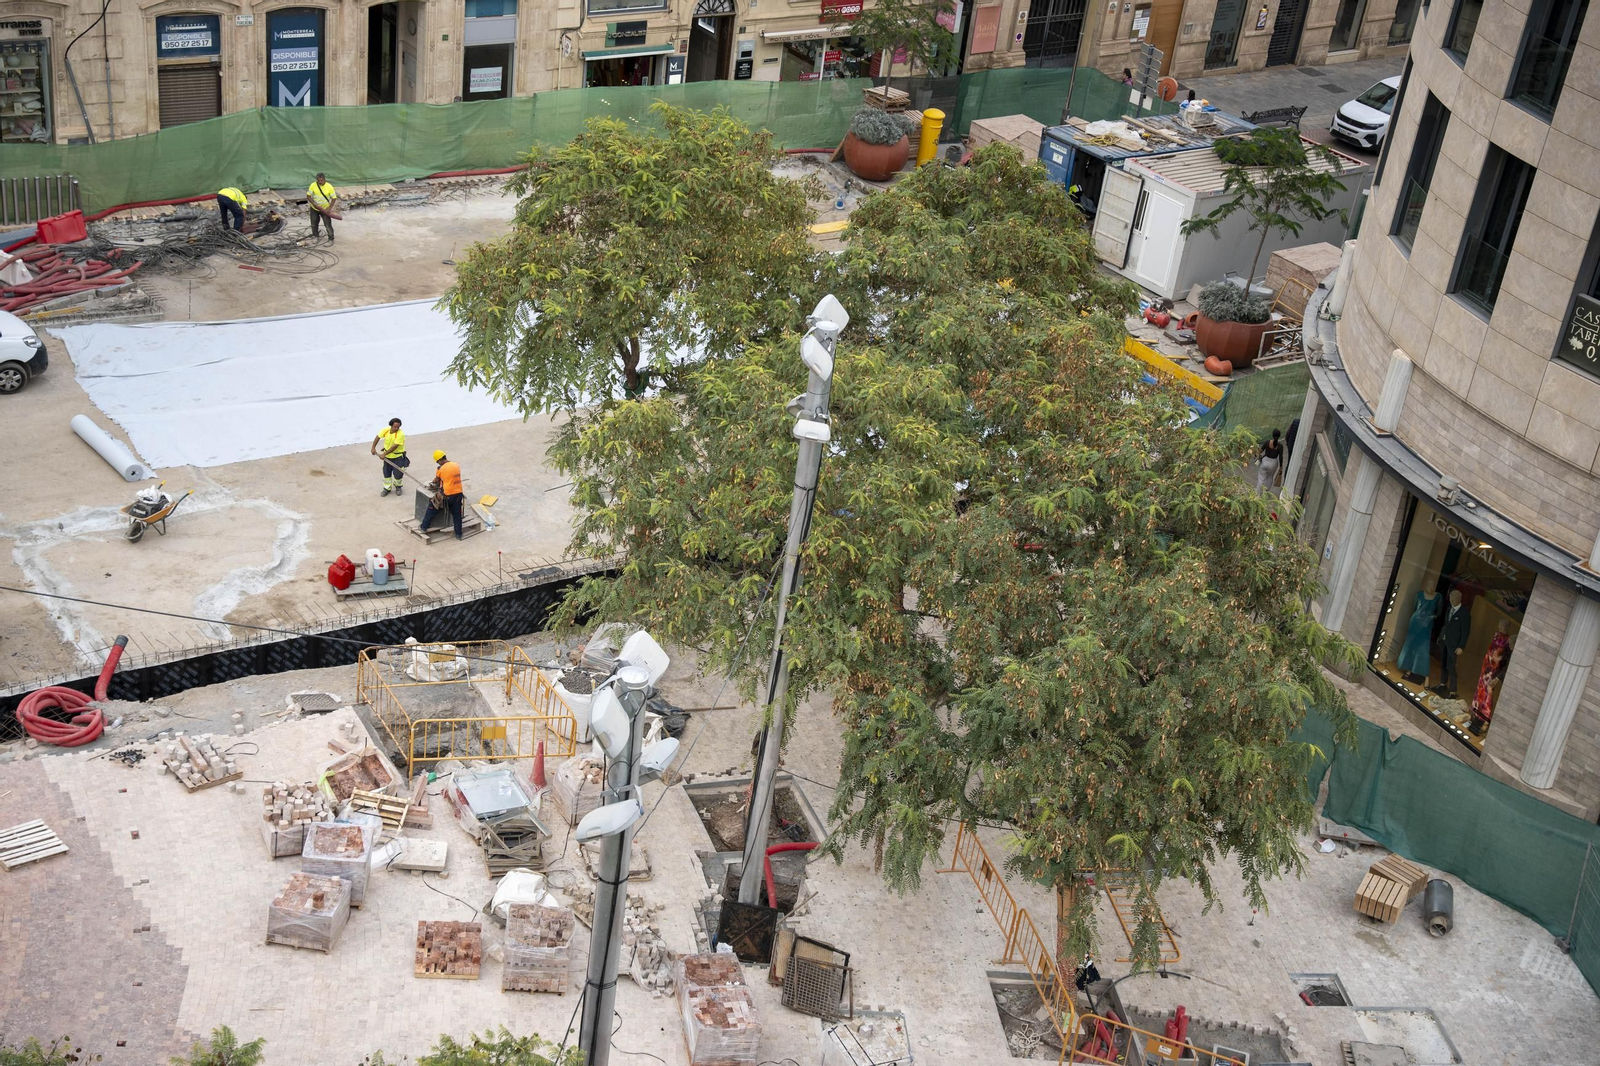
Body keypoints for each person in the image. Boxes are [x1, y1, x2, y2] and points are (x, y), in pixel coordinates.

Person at [421, 449, 466, 540]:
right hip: (458, 494)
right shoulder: (456, 465)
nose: (438, 463)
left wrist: (434, 482)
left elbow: (437, 480)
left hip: (447, 495)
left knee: (432, 507)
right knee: (457, 515)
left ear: (439, 460)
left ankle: (423, 527)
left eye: (438, 462)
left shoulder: (440, 469)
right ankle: (458, 534)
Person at [370, 417, 408, 497]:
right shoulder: (386, 430)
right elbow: (378, 437)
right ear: (391, 425)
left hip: (398, 457)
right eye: (395, 427)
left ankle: (398, 487)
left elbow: (395, 446)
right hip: (387, 457)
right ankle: (387, 488)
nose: (397, 428)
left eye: (398, 427)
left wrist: (384, 454)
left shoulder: (400, 434)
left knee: (398, 474)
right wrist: (373, 447)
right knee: (386, 473)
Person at [307, 172, 338, 243]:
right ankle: (315, 236)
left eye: (321, 180)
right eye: (318, 180)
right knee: (314, 224)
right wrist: (314, 204)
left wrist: (329, 208)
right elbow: (308, 196)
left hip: (325, 209)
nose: (320, 182)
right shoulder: (313, 185)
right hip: (314, 208)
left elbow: (334, 198)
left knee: (327, 225)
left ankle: (331, 238)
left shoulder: (329, 187)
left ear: (324, 179)